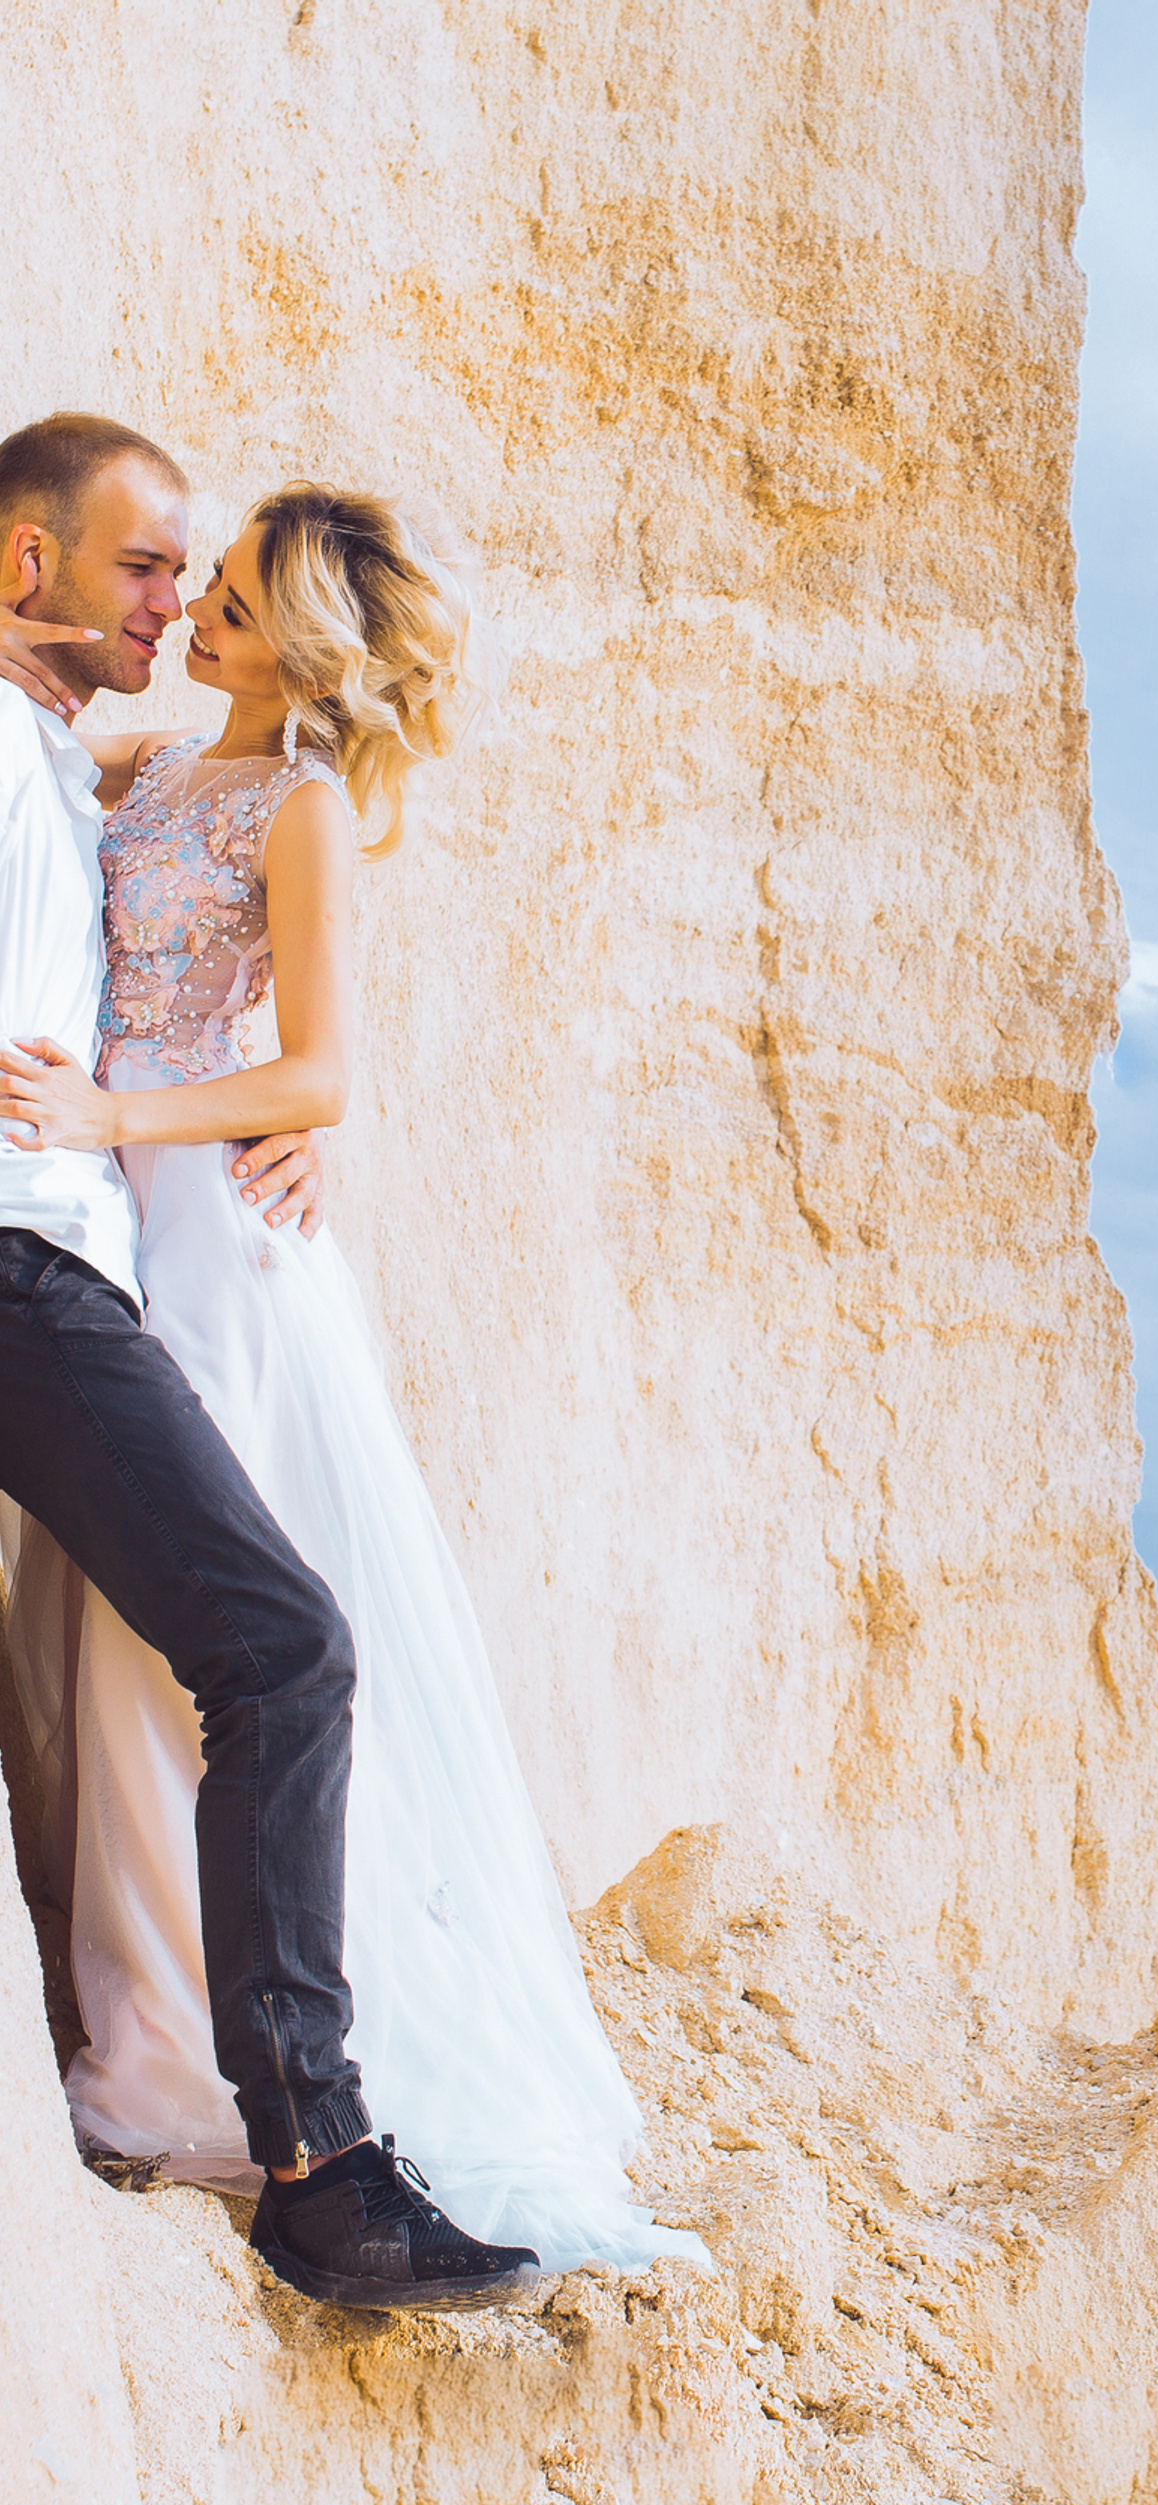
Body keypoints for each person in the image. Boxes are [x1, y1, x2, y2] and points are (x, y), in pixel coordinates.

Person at [0, 414, 699, 2301]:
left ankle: (300, 2094)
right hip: (96, 1225)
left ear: (297, 648)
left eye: (222, 601)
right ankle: (168, 2066)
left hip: (201, 1236)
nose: (193, 615)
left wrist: (121, 1123)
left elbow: (318, 1074)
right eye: (188, 587)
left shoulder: (288, 805)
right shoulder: (126, 770)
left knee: (256, 1637)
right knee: (155, 1655)